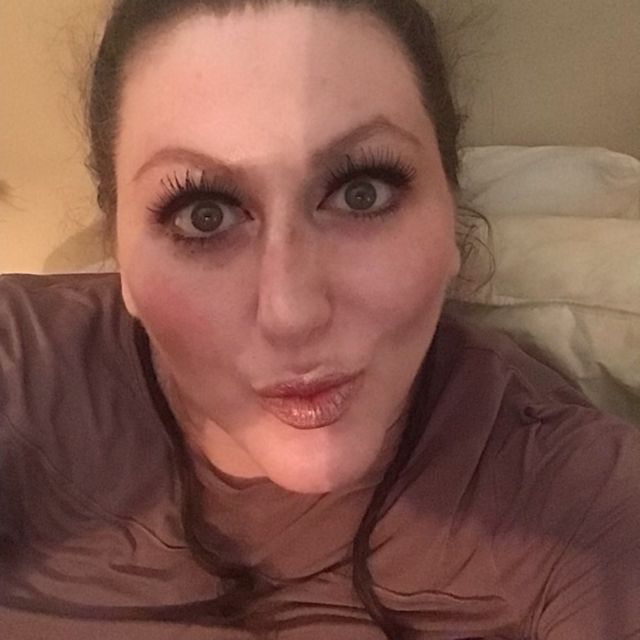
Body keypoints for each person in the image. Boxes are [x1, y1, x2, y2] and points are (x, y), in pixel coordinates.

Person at [0, 0, 638, 638]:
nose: (292, 314)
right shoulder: (20, 369)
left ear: (451, 215)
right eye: (204, 215)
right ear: (120, 254)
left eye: (362, 193)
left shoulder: (580, 506)